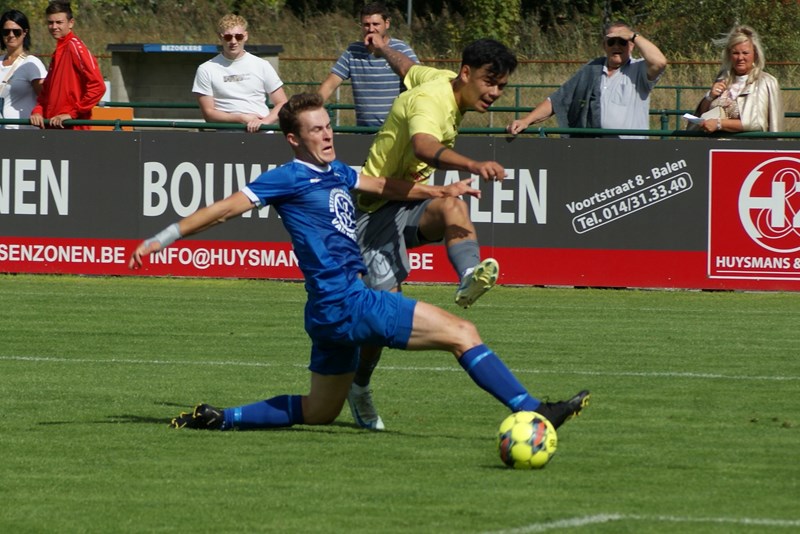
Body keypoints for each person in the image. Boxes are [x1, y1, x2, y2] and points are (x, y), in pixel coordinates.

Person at [128, 93, 590, 432]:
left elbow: (386, 186)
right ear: (293, 139)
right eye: (315, 129)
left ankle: (220, 418)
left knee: (319, 411)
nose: (327, 134)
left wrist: (441, 191)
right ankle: (534, 409)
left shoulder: (337, 172)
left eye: (328, 125)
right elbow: (226, 209)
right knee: (462, 333)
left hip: (326, 311)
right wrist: (164, 237)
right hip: (348, 301)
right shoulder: (288, 177)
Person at [348, 37, 517, 430]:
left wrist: (381, 47)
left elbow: (406, 68)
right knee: (380, 317)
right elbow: (424, 146)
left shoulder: (438, 78)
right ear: (466, 74)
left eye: (502, 87)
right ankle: (358, 386)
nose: (495, 93)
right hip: (370, 214)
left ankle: (469, 277)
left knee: (452, 205)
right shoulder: (431, 102)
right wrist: (472, 164)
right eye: (490, 83)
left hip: (408, 203)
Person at [507, 21, 667, 139]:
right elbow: (558, 99)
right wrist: (526, 121)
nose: (616, 46)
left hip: (631, 153)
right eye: (611, 41)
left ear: (631, 46)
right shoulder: (592, 68)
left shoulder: (639, 69)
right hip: (595, 151)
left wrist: (633, 35)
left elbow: (659, 62)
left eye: (622, 41)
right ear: (604, 45)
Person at [318, 2, 418, 127]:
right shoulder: (353, 51)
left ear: (387, 24)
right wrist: (311, 110)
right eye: (366, 24)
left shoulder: (401, 50)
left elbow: (418, 79)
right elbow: (330, 85)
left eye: (376, 24)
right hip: (364, 131)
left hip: (396, 132)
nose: (371, 29)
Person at [192, 14, 288, 133]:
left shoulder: (262, 65)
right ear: (220, 37)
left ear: (245, 36)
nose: (233, 41)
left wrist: (264, 122)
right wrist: (241, 118)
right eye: (228, 37)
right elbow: (209, 114)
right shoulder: (206, 69)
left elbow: (282, 102)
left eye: (238, 36)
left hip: (262, 134)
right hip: (227, 136)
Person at [693, 25, 783, 134]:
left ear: (755, 54)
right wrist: (709, 96)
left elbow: (757, 123)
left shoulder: (766, 82)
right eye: (736, 53)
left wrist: (719, 124)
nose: (740, 58)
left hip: (747, 147)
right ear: (729, 55)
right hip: (717, 145)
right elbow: (703, 114)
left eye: (745, 53)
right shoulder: (722, 78)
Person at [29, 1, 105, 130]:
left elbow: (98, 86)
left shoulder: (75, 47)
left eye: (59, 22)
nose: (54, 27)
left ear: (71, 23)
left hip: (73, 129)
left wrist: (72, 113)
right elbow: (46, 91)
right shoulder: (59, 51)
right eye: (50, 22)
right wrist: (37, 111)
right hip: (53, 127)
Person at [0, 10, 46, 129]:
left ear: (25, 33)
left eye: (16, 32)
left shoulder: (31, 63)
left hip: (22, 133)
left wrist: (37, 114)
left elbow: (45, 98)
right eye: (6, 31)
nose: (11, 35)